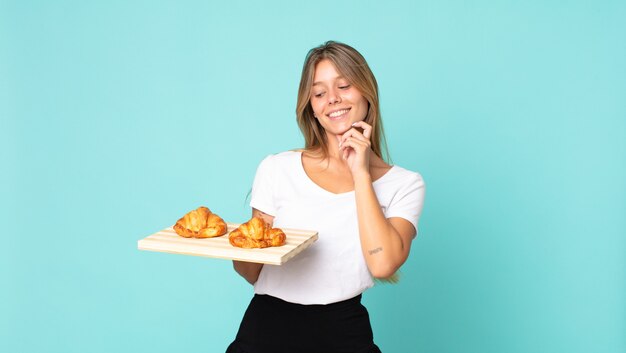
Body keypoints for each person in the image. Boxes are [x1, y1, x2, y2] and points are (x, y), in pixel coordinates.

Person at [226, 41, 425, 353]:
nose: (333, 99)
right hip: (265, 330)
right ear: (312, 108)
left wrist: (360, 172)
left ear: (366, 93)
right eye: (319, 93)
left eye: (344, 86)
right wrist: (237, 242)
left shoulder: (404, 184)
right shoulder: (277, 168)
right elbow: (250, 270)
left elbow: (383, 264)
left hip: (343, 333)